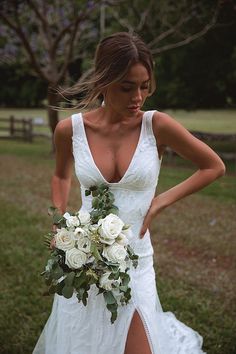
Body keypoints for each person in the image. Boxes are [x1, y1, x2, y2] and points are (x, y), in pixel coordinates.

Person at [33, 32, 225, 354]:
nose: (138, 97)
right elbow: (60, 176)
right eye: (127, 87)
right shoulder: (70, 130)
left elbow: (213, 166)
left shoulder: (157, 125)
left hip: (136, 259)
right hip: (86, 258)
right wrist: (61, 222)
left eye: (144, 86)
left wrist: (160, 202)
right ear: (103, 81)